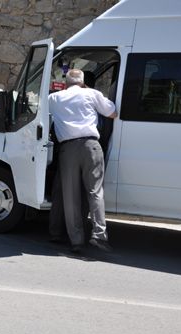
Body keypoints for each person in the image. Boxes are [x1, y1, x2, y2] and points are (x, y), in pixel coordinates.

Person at [48, 69, 117, 252]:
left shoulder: (54, 98)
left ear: (65, 82)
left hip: (67, 149)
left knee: (70, 197)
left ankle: (76, 241)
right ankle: (99, 235)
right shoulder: (91, 93)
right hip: (91, 146)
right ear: (83, 82)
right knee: (95, 192)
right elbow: (112, 113)